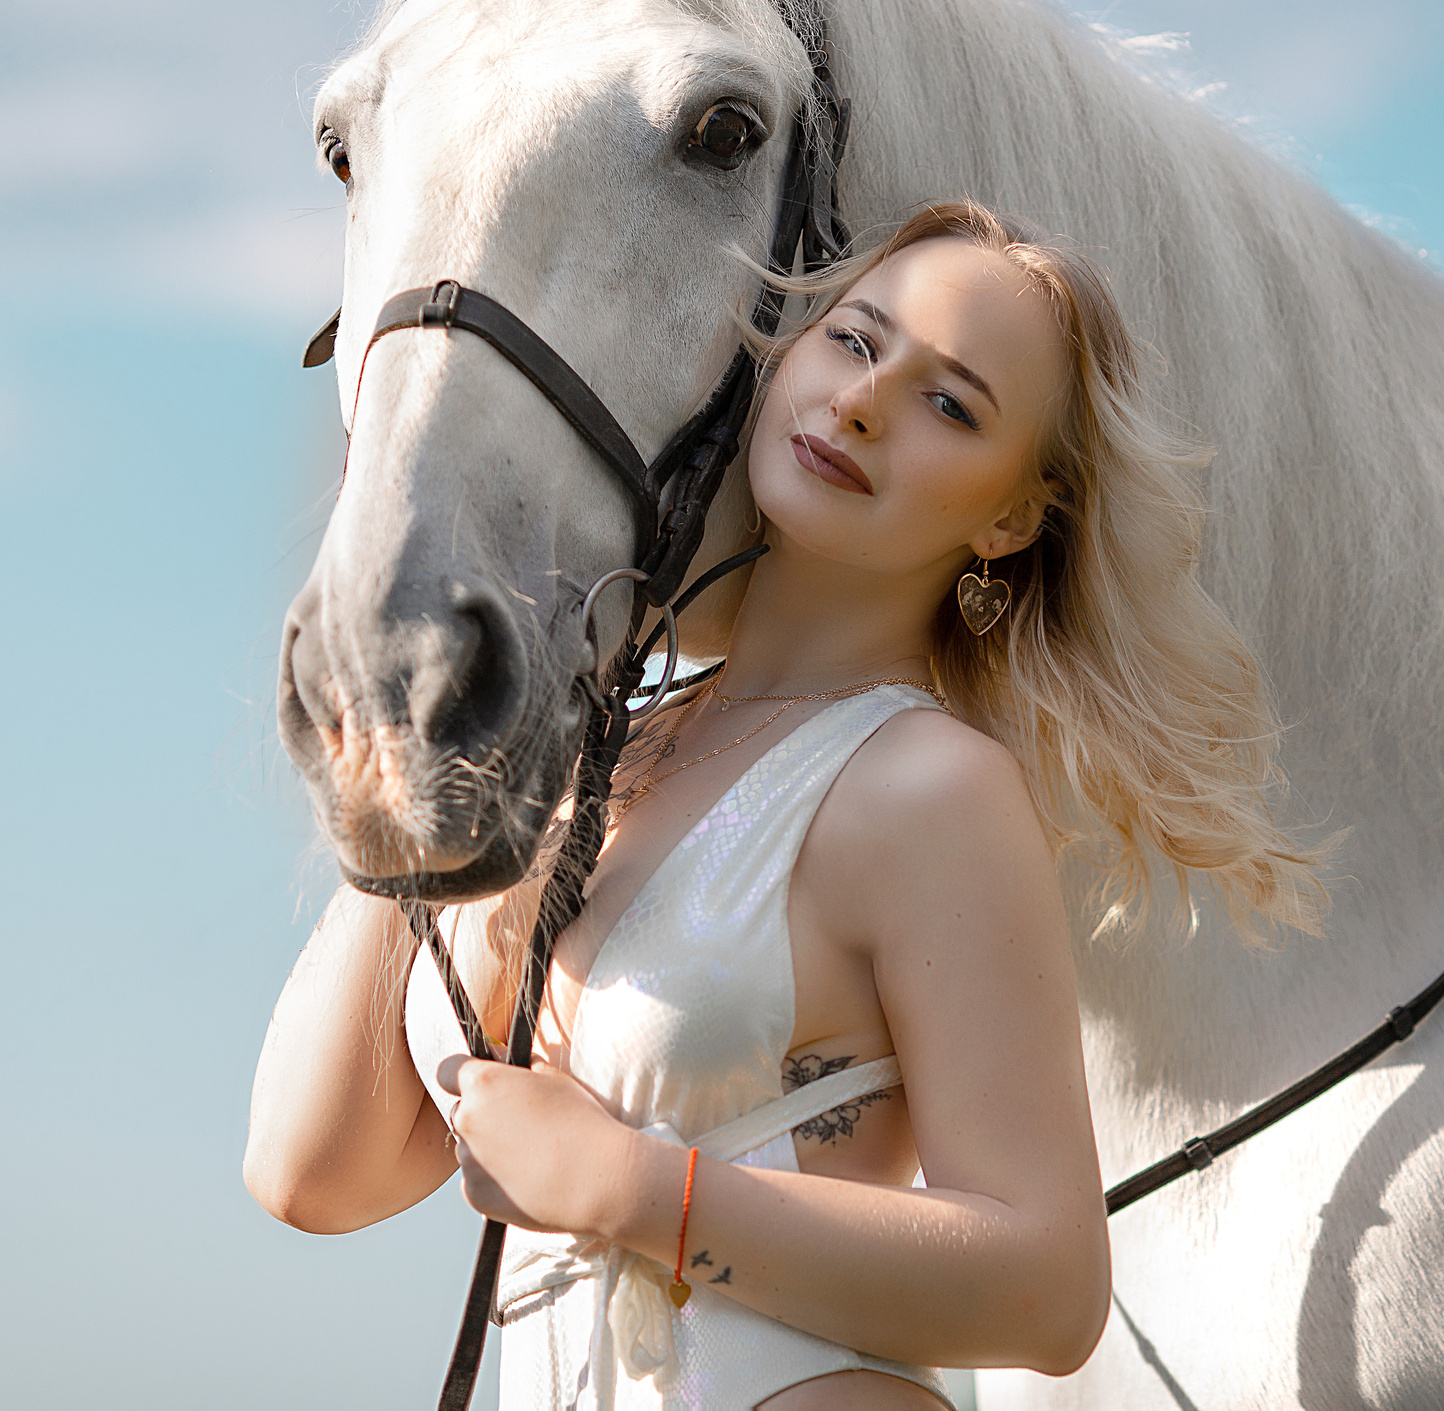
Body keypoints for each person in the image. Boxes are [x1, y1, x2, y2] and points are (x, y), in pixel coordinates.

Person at [244, 200, 1323, 1408]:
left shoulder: (925, 788)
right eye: (854, 342)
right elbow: (312, 1171)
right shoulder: (602, 758)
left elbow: (1050, 1288)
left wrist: (636, 1192)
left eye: (950, 403)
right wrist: (428, 757)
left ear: (1012, 517)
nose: (865, 403)